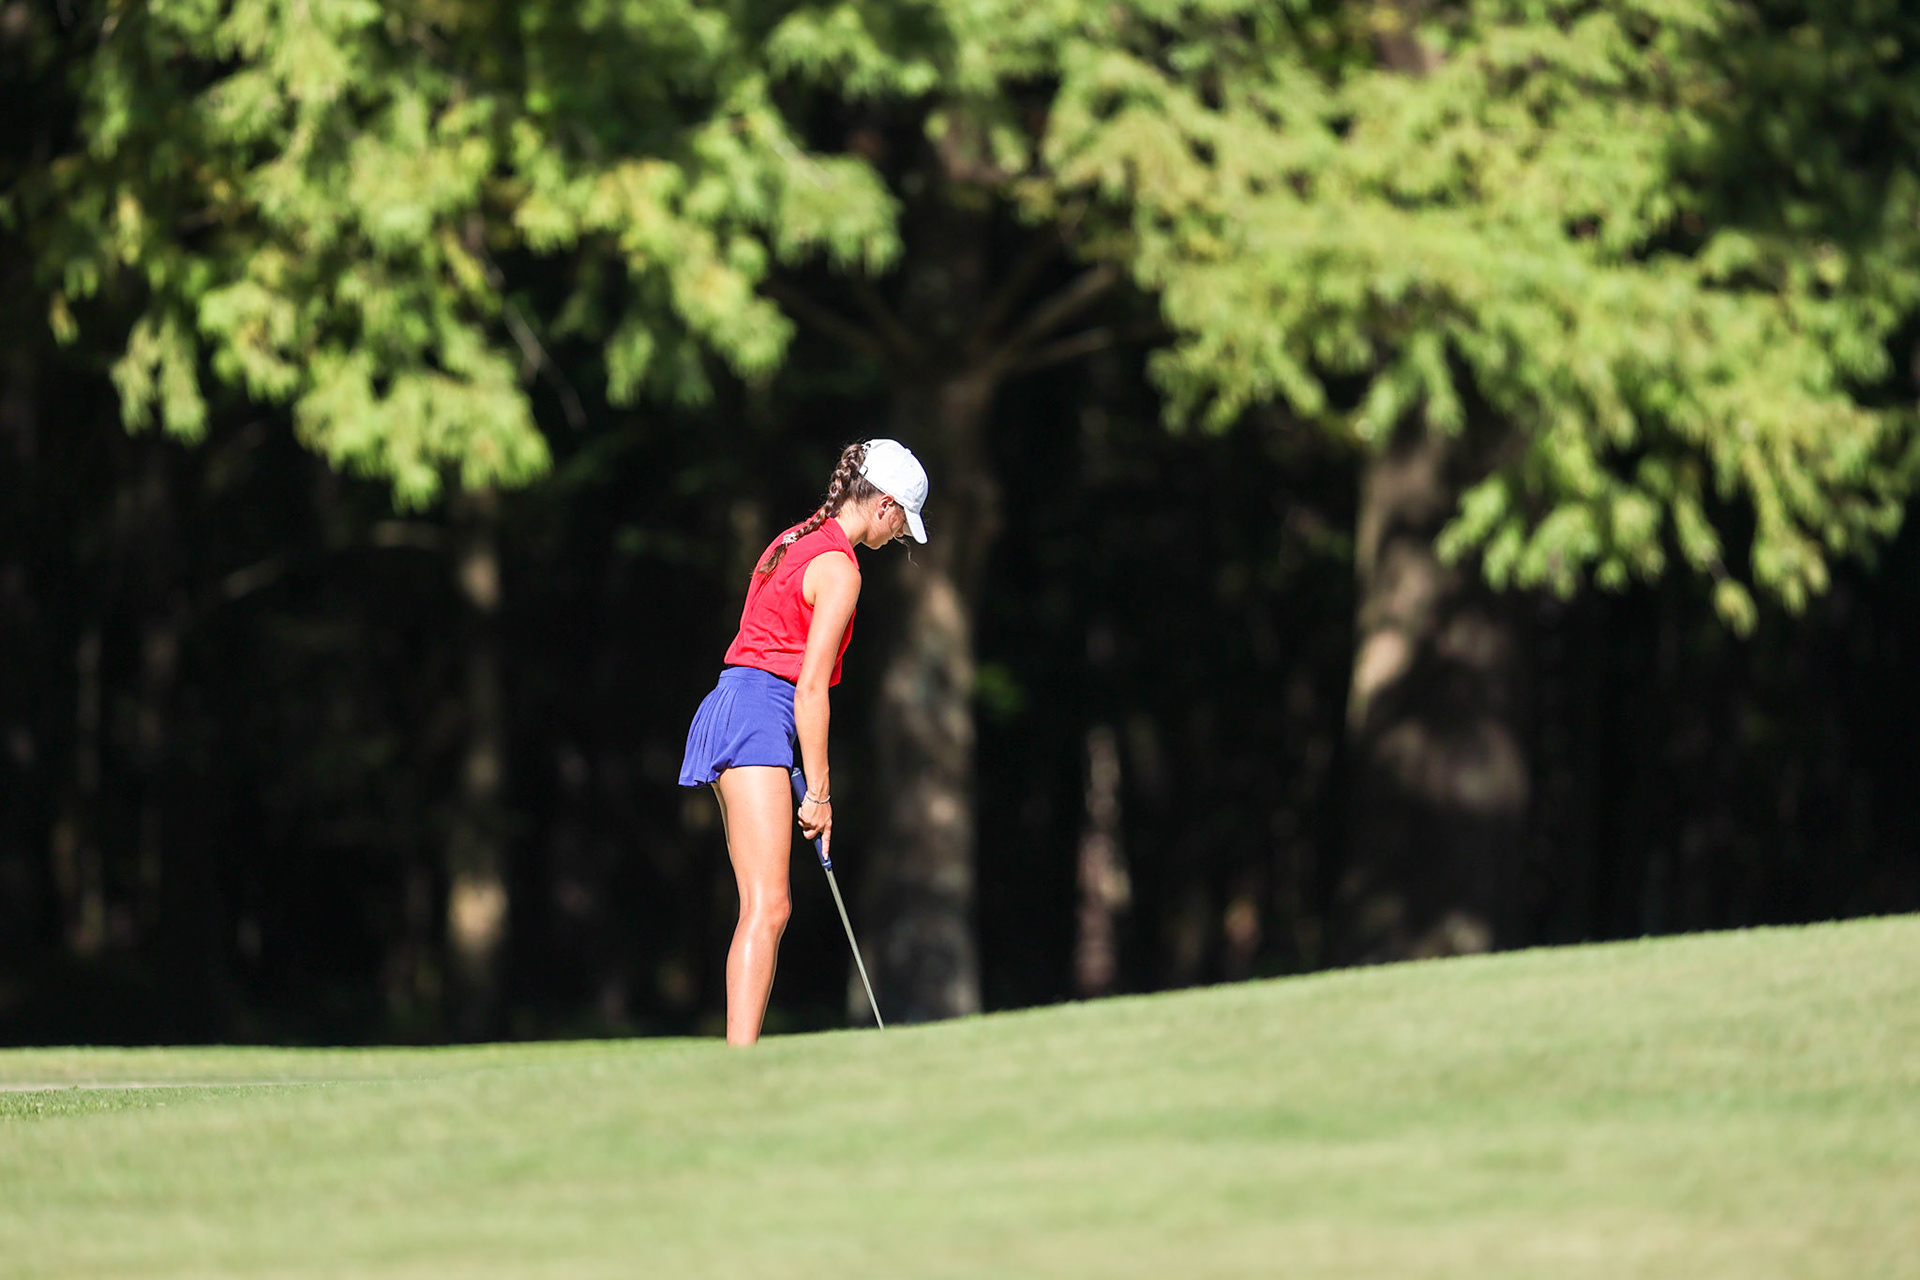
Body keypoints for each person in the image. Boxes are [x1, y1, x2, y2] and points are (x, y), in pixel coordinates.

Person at [678, 439, 929, 1044]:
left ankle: (741, 1057)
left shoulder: (791, 538)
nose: (899, 538)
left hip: (730, 703)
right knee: (769, 905)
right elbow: (810, 688)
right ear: (885, 506)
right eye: (901, 525)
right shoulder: (842, 569)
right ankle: (740, 1065)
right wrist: (819, 793)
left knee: (762, 904)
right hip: (761, 710)